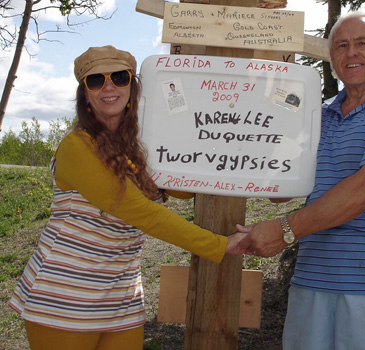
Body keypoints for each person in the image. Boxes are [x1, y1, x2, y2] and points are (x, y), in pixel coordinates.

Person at [8, 45, 246, 350]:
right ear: (85, 94)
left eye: (119, 77)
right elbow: (143, 213)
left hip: (121, 293)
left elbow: (182, 189)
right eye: (96, 80)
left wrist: (207, 139)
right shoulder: (77, 146)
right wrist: (220, 245)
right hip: (66, 294)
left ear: (132, 87)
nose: (108, 86)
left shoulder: (136, 146)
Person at [237, 11, 365, 350]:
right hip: (313, 279)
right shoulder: (317, 114)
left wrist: (284, 230)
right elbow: (279, 190)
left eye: (362, 43)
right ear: (331, 58)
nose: (350, 52)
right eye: (341, 45)